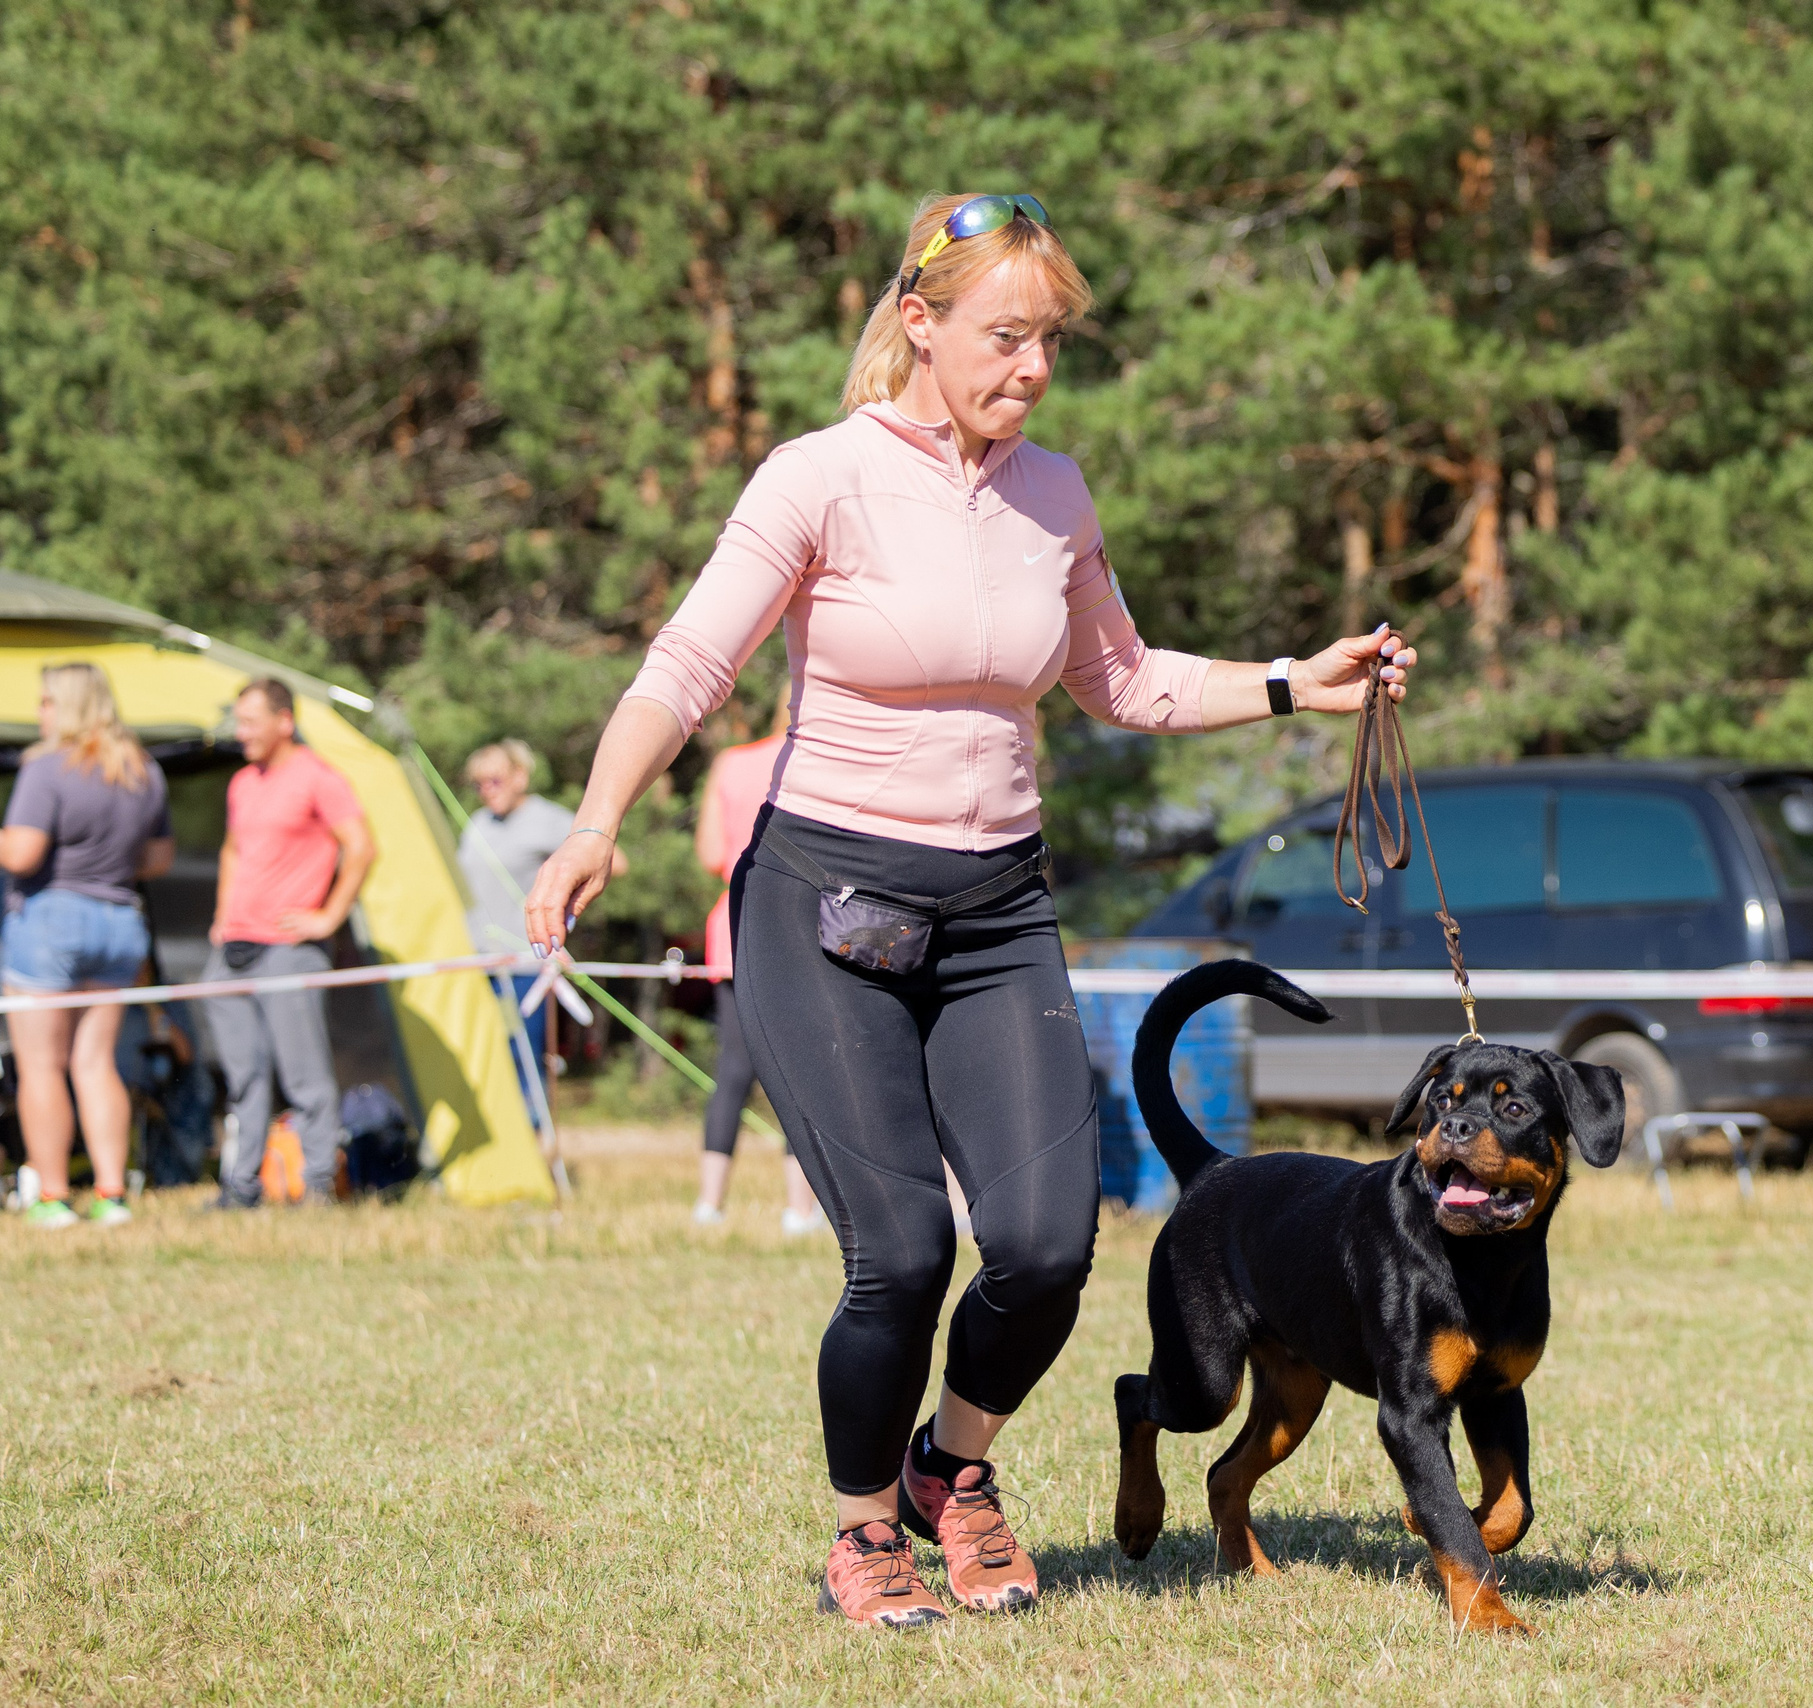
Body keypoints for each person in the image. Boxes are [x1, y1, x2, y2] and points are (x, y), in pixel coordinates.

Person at [524, 190, 1421, 1632]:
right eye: (1008, 337)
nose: (1035, 369)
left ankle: (955, 1470)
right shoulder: (819, 478)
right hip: (824, 902)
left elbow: (1120, 681)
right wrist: (596, 822)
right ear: (920, 323)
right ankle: (864, 1529)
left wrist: (1283, 682)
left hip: (998, 908)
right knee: (903, 1249)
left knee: (1051, 1241)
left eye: (1051, 341)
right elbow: (688, 664)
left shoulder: (1052, 492)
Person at [0, 663, 175, 1228]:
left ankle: (51, 1197)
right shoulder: (143, 770)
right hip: (121, 921)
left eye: (47, 701)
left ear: (70, 706)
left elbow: (22, 855)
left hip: (52, 921)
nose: (40, 712)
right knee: (96, 1063)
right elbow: (157, 859)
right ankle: (111, 1194)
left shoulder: (47, 769)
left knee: (41, 1066)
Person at [203, 679, 375, 1209]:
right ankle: (242, 1186)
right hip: (234, 948)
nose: (241, 732)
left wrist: (328, 917)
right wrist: (221, 915)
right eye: (238, 720)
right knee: (243, 1075)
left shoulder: (318, 778)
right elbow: (233, 851)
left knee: (303, 1073)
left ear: (285, 721)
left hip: (289, 948)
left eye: (251, 721)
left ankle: (319, 1182)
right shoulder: (242, 783)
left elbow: (362, 847)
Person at [692, 701, 825, 1233]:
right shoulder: (819, 766)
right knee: (802, 1070)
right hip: (804, 924)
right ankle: (799, 1209)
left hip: (733, 923)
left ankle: (709, 1202)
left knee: (733, 1070)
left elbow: (707, 853)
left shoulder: (729, 763)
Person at [457, 738, 622, 1116]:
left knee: (525, 1061)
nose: (486, 791)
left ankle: (536, 1146)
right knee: (486, 1061)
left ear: (520, 776)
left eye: (494, 781)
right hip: (478, 961)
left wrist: (563, 919)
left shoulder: (548, 819)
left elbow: (611, 861)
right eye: (478, 784)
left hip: (525, 965)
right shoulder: (478, 822)